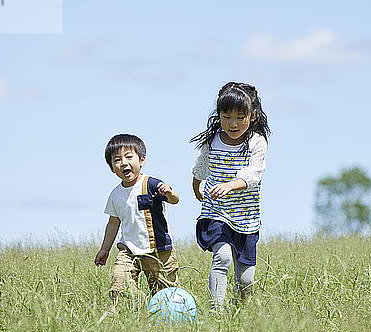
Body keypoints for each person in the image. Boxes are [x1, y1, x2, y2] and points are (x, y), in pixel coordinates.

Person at [191, 82, 270, 312]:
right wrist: (197, 187)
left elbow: (254, 174)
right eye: (226, 117)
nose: (232, 124)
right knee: (222, 258)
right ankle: (216, 312)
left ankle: (238, 313)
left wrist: (229, 186)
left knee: (245, 280)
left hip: (246, 218)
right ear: (219, 115)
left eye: (239, 117)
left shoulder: (256, 142)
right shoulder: (213, 140)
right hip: (216, 213)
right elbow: (202, 165)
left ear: (252, 116)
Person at [94, 134, 180, 311]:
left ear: (142, 160)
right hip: (129, 250)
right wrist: (105, 249)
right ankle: (126, 312)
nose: (123, 163)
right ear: (112, 168)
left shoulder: (151, 184)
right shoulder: (115, 195)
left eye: (129, 157)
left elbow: (175, 199)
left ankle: (164, 319)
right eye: (117, 160)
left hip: (158, 250)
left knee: (165, 294)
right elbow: (113, 223)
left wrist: (170, 194)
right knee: (119, 283)